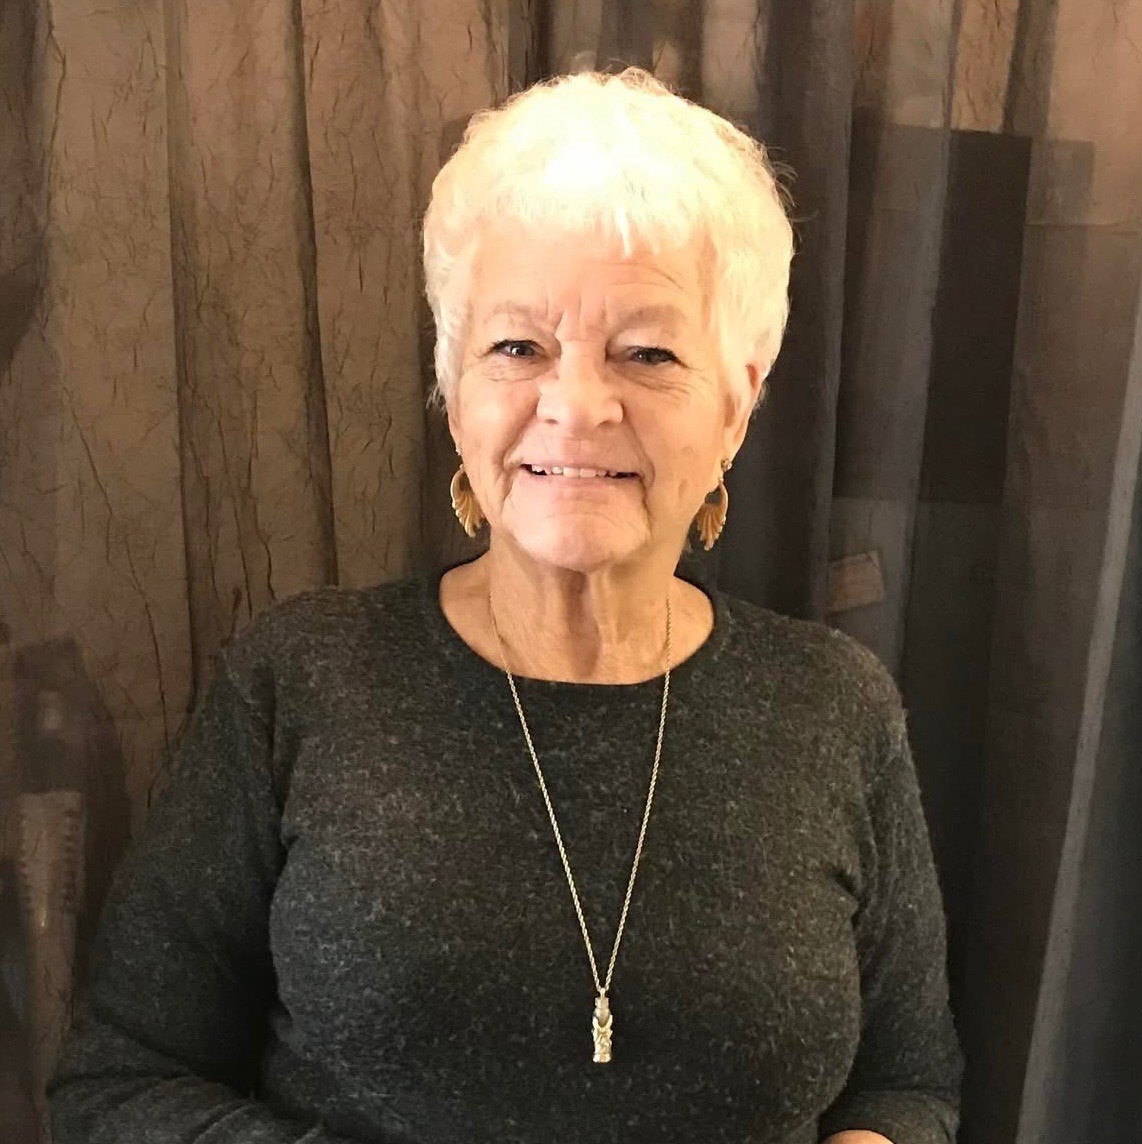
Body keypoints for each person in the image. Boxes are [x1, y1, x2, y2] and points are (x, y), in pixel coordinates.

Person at [48, 68, 962, 1144]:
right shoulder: (300, 680)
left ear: (736, 403)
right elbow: (122, 1083)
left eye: (647, 352)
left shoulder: (833, 705)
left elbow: (908, 1085)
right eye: (518, 347)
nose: (574, 405)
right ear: (454, 390)